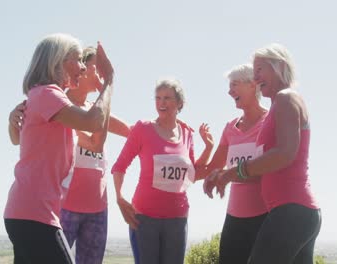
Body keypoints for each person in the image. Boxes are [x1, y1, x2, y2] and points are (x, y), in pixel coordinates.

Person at [8, 46, 130, 264]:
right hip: (44, 210)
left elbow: (127, 133)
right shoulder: (51, 99)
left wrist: (163, 129)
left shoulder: (59, 101)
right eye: (81, 63)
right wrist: (109, 82)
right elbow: (95, 137)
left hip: (47, 209)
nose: (84, 68)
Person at [204, 43, 321, 264]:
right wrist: (226, 176)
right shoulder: (280, 103)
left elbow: (285, 153)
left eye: (260, 70)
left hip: (291, 211)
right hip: (296, 212)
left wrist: (231, 173)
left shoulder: (286, 97)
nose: (256, 77)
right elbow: (265, 168)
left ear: (278, 65)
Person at [112, 78, 214, 264]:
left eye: (167, 98)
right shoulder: (143, 128)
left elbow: (192, 174)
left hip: (177, 218)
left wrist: (208, 148)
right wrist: (119, 197)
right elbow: (120, 165)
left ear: (180, 103)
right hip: (144, 218)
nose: (161, 103)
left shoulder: (187, 134)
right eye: (158, 98)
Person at [199, 63, 268, 264]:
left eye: (235, 85)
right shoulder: (230, 128)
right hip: (234, 217)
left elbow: (270, 168)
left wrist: (226, 175)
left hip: (264, 215)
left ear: (253, 85)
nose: (230, 91)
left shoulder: (269, 122)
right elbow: (214, 168)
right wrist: (208, 149)